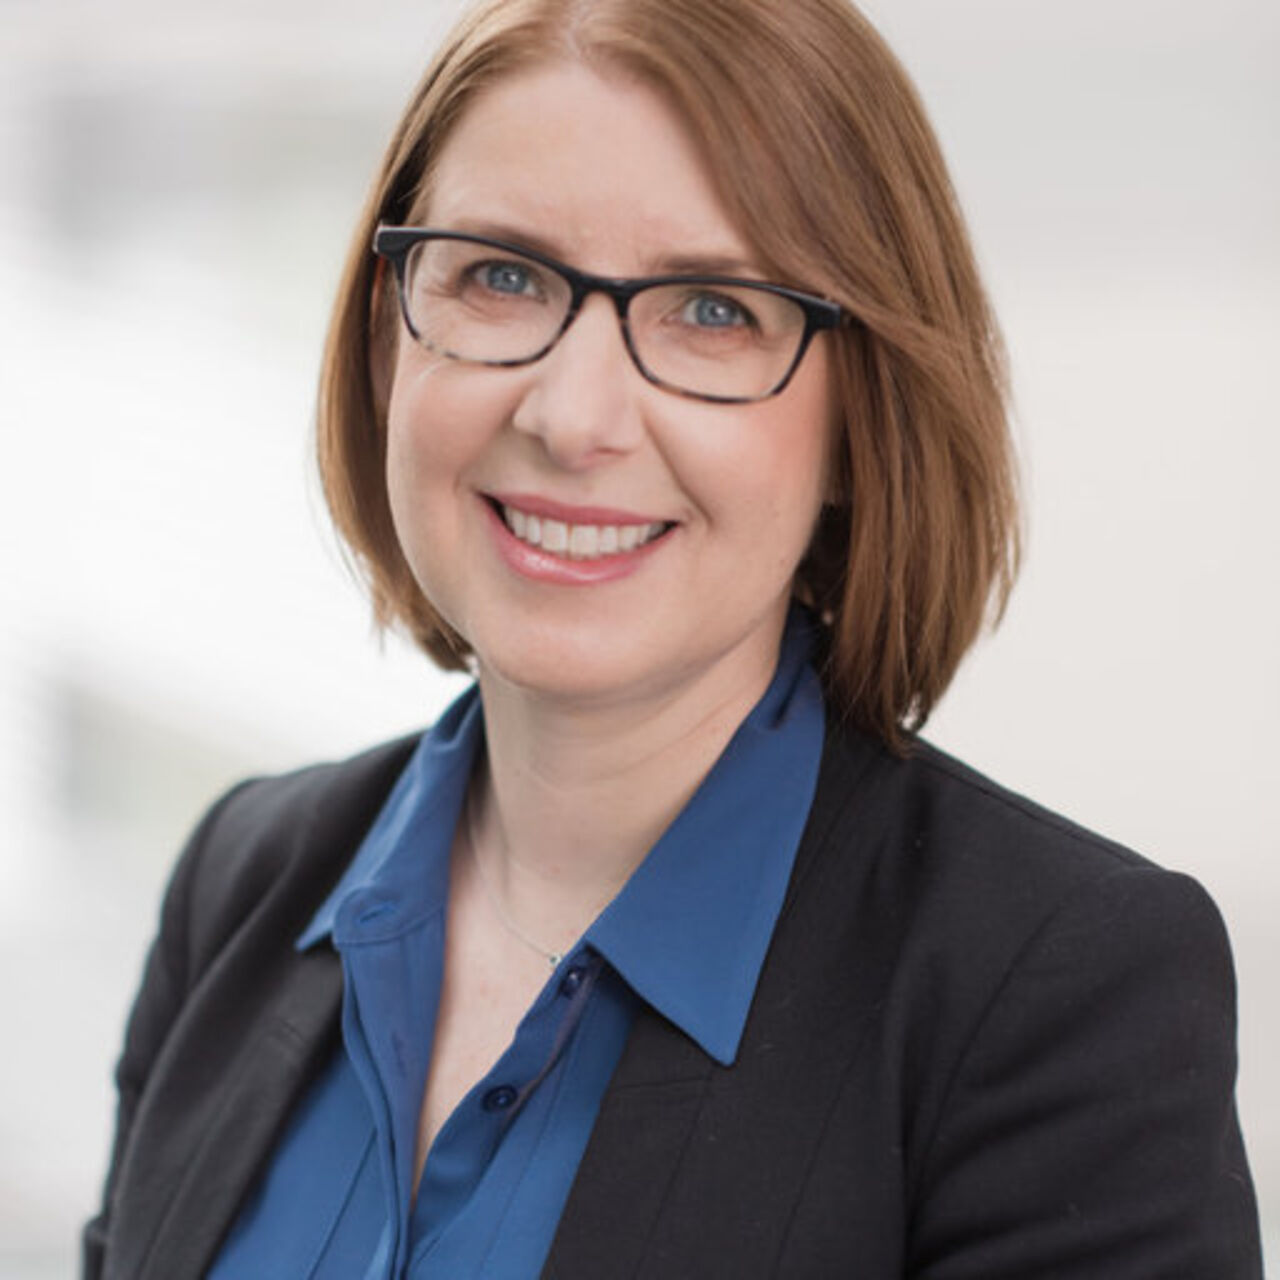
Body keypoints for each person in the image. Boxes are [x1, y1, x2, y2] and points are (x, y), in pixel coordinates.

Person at [84, 0, 1262, 1275]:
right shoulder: (244, 881)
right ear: (387, 342)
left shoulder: (1052, 991)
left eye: (710, 309)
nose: (574, 416)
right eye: (499, 275)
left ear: (860, 420)